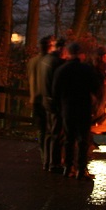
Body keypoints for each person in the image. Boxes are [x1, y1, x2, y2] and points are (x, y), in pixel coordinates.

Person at [51, 42, 103, 179]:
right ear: (81, 54)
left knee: (69, 138)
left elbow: (55, 92)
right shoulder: (87, 69)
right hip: (83, 107)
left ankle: (68, 167)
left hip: (67, 108)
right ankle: (81, 169)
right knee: (83, 140)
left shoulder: (61, 70)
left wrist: (59, 108)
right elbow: (96, 87)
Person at [38, 37, 67, 172]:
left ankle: (47, 161)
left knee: (49, 132)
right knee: (57, 133)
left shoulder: (45, 60)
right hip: (55, 102)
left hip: (46, 100)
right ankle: (55, 163)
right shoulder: (57, 63)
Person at [27, 36, 53, 170]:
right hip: (45, 99)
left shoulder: (32, 61)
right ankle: (49, 157)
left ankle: (44, 155)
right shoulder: (49, 62)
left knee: (42, 129)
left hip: (35, 98)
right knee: (49, 129)